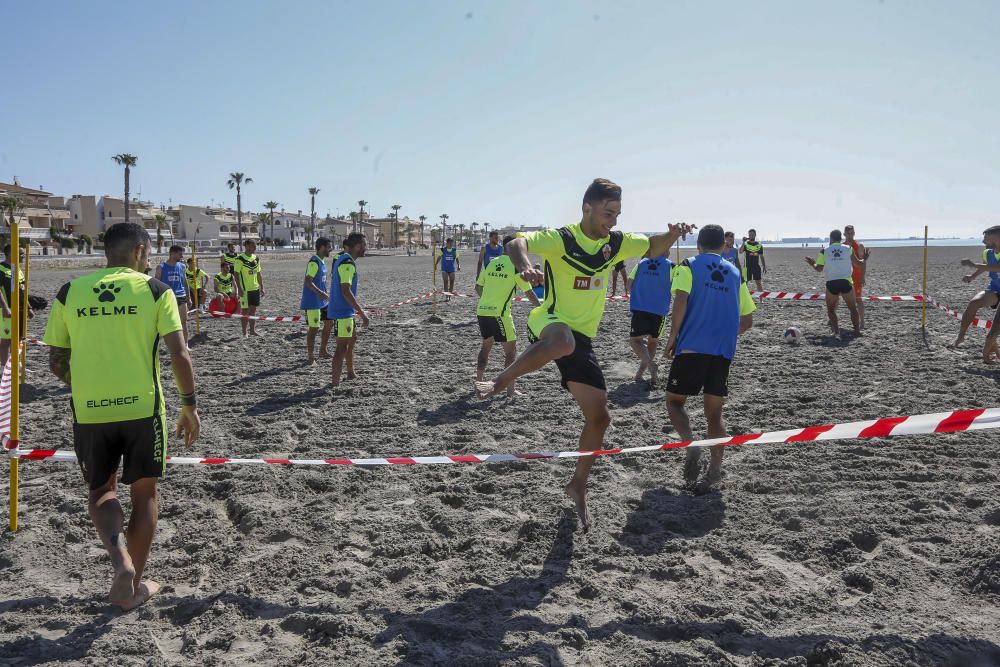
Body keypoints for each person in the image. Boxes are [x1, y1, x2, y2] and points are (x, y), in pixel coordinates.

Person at [474, 178, 692, 532]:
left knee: (600, 418)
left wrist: (673, 234)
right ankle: (501, 380)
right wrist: (525, 263)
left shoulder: (617, 243)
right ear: (587, 208)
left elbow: (653, 246)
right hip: (550, 322)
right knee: (563, 341)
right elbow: (517, 243)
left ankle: (577, 484)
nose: (614, 221)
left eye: (618, 214)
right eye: (608, 213)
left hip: (582, 339)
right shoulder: (563, 238)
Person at [42, 222, 200, 610]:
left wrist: (89, 383)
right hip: (143, 408)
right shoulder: (154, 290)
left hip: (91, 409)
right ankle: (134, 588)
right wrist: (189, 405)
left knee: (101, 493)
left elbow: (56, 362)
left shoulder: (69, 292)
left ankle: (120, 561)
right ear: (141, 251)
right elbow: (180, 355)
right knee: (145, 494)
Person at [663, 224, 755, 492]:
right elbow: (747, 321)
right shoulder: (736, 273)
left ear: (699, 244)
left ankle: (692, 446)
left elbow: (681, 300)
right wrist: (723, 331)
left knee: (674, 401)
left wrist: (673, 337)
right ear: (722, 245)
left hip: (692, 345)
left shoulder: (689, 265)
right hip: (722, 351)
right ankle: (715, 469)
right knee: (714, 414)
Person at [475, 235, 541, 397]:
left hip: (482, 311)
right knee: (511, 353)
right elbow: (530, 293)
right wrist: (542, 309)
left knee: (486, 347)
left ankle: (478, 383)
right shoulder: (514, 266)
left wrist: (489, 299)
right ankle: (510, 391)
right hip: (500, 314)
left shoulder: (492, 263)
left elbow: (478, 287)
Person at [805, 229, 868, 338]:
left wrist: (813, 263)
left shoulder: (824, 250)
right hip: (846, 282)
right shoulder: (848, 248)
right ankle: (857, 331)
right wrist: (865, 259)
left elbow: (819, 269)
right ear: (840, 238)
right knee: (853, 308)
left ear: (831, 239)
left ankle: (836, 332)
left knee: (830, 309)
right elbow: (858, 264)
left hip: (832, 282)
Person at [329, 233, 370, 386]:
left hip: (344, 310)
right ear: (358, 246)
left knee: (352, 339)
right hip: (342, 312)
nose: (366, 248)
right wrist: (362, 313)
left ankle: (351, 372)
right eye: (364, 245)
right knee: (341, 348)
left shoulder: (342, 258)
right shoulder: (347, 263)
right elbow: (345, 290)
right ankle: (334, 384)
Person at [628, 251, 674, 387]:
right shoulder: (672, 266)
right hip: (659, 311)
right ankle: (640, 374)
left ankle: (649, 365)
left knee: (635, 340)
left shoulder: (641, 263)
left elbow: (629, 285)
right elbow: (677, 289)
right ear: (667, 252)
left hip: (640, 307)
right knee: (652, 342)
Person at [955, 225, 1000, 348]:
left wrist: (974, 264)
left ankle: (992, 341)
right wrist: (972, 276)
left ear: (997, 238)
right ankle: (961, 336)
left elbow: (998, 268)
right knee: (973, 303)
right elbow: (986, 265)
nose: (983, 241)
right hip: (995, 289)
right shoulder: (987, 253)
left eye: (986, 238)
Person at [0, 244, 34, 371]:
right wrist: (4, 308)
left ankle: (15, 364)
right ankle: (4, 368)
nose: (23, 256)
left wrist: (28, 307)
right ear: (10, 253)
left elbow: (22, 291)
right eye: (20, 253)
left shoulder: (18, 270)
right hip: (6, 309)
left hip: (20, 309)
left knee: (19, 338)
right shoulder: (1, 269)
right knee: (6, 339)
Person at [301, 237, 334, 365]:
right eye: (329, 247)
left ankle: (323, 350)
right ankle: (310, 355)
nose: (330, 249)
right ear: (322, 247)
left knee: (329, 323)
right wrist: (320, 293)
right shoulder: (314, 262)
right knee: (314, 328)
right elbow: (308, 281)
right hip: (312, 302)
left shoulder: (322, 262)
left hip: (323, 301)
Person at [154, 245, 188, 345]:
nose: (182, 257)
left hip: (181, 296)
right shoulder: (161, 267)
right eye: (180, 254)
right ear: (172, 253)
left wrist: (188, 297)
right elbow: (156, 284)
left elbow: (185, 282)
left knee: (184, 322)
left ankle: (185, 344)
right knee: (167, 324)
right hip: (167, 297)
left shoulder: (182, 266)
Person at [233, 239, 264, 338]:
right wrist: (239, 288)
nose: (255, 248)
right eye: (253, 246)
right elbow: (236, 274)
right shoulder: (240, 259)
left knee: (253, 311)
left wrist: (262, 286)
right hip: (245, 290)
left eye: (255, 246)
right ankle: (244, 332)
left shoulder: (256, 258)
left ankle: (252, 330)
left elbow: (259, 273)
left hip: (255, 288)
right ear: (246, 246)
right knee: (245, 311)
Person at [843, 225, 869, 329]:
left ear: (854, 233)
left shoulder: (859, 245)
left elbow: (863, 263)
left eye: (852, 233)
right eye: (848, 233)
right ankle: (830, 319)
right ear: (844, 234)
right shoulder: (842, 246)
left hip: (856, 277)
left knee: (858, 299)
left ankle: (862, 321)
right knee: (835, 297)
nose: (850, 235)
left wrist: (862, 277)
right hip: (844, 276)